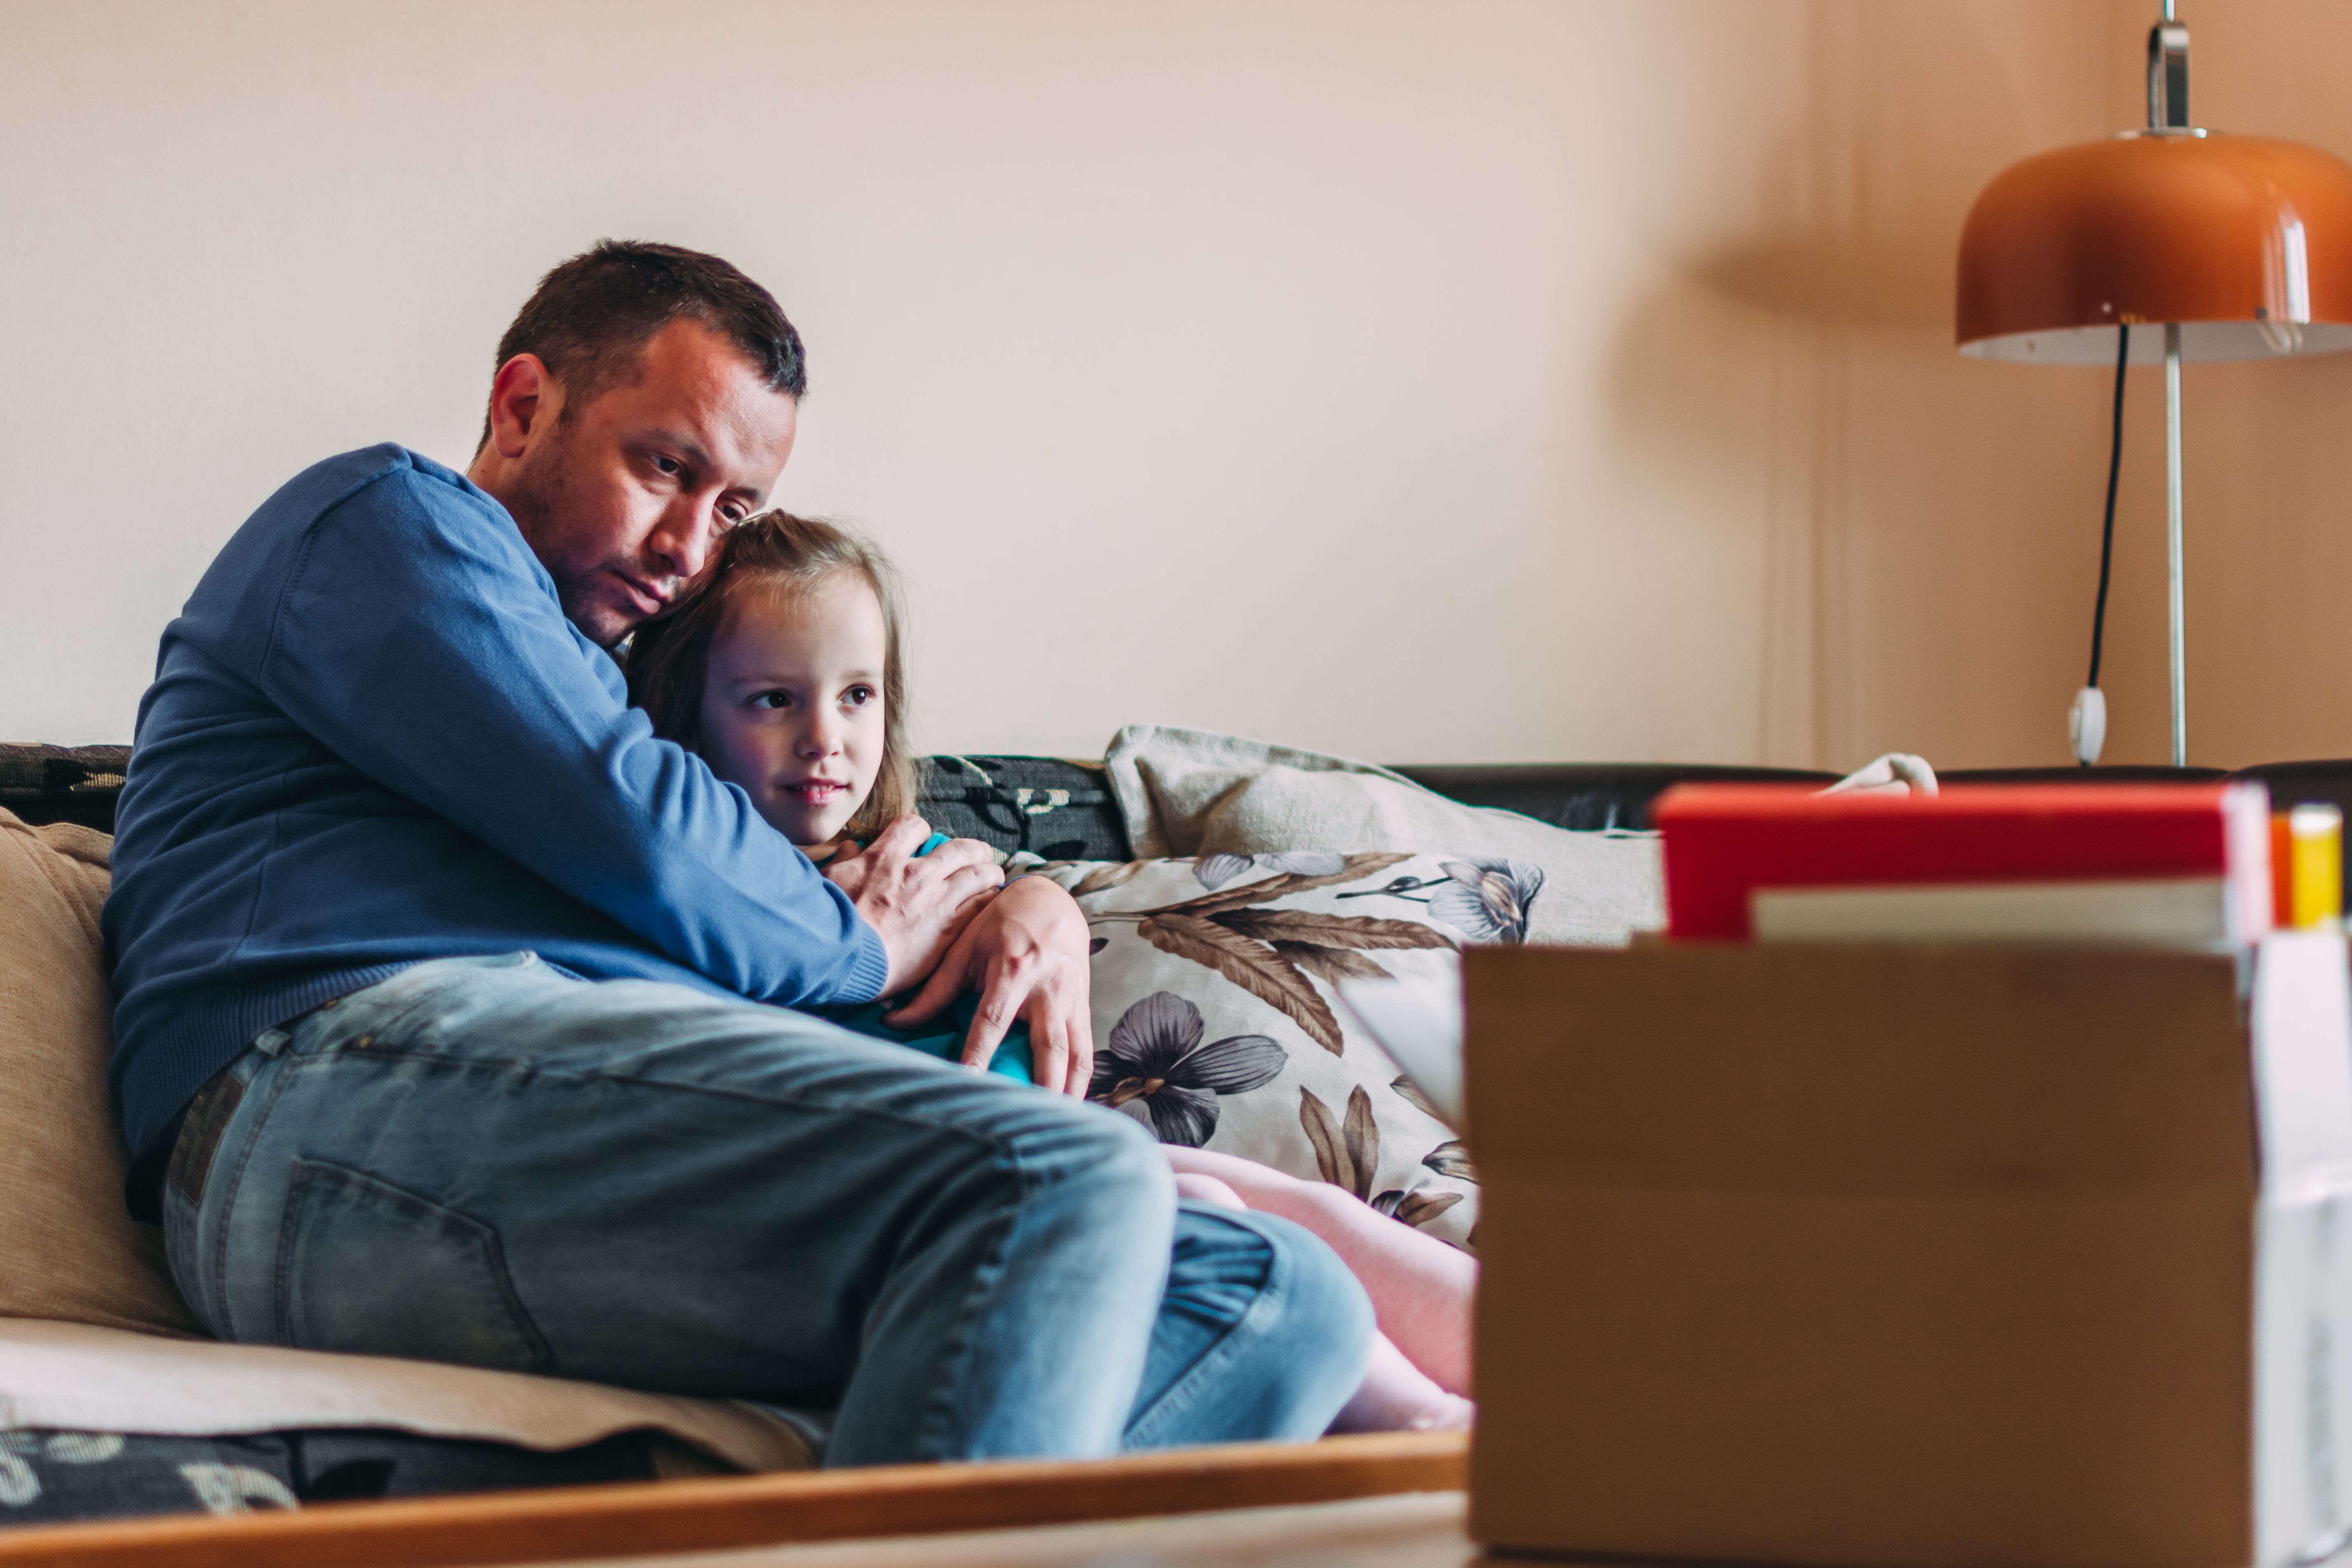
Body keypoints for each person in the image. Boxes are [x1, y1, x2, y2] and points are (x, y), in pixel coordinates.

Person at [102, 240, 1374, 1464]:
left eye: (736, 507)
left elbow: (770, 862)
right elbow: (644, 831)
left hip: (526, 1150)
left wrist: (1011, 888)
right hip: (312, 1102)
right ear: (521, 404)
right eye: (663, 466)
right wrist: (863, 941)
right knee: (1059, 1171)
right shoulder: (388, 526)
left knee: (1277, 1300)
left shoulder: (597, 676)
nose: (690, 548)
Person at [624, 508, 1474, 1432]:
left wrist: (1038, 900)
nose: (826, 736)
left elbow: (1018, 904)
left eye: (857, 694)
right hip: (942, 1196)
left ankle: (1580, 1376)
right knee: (1205, 1204)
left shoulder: (928, 866)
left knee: (1318, 1211)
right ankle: (1429, 1429)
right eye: (772, 699)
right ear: (684, 715)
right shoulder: (703, 901)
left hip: (1060, 1152)